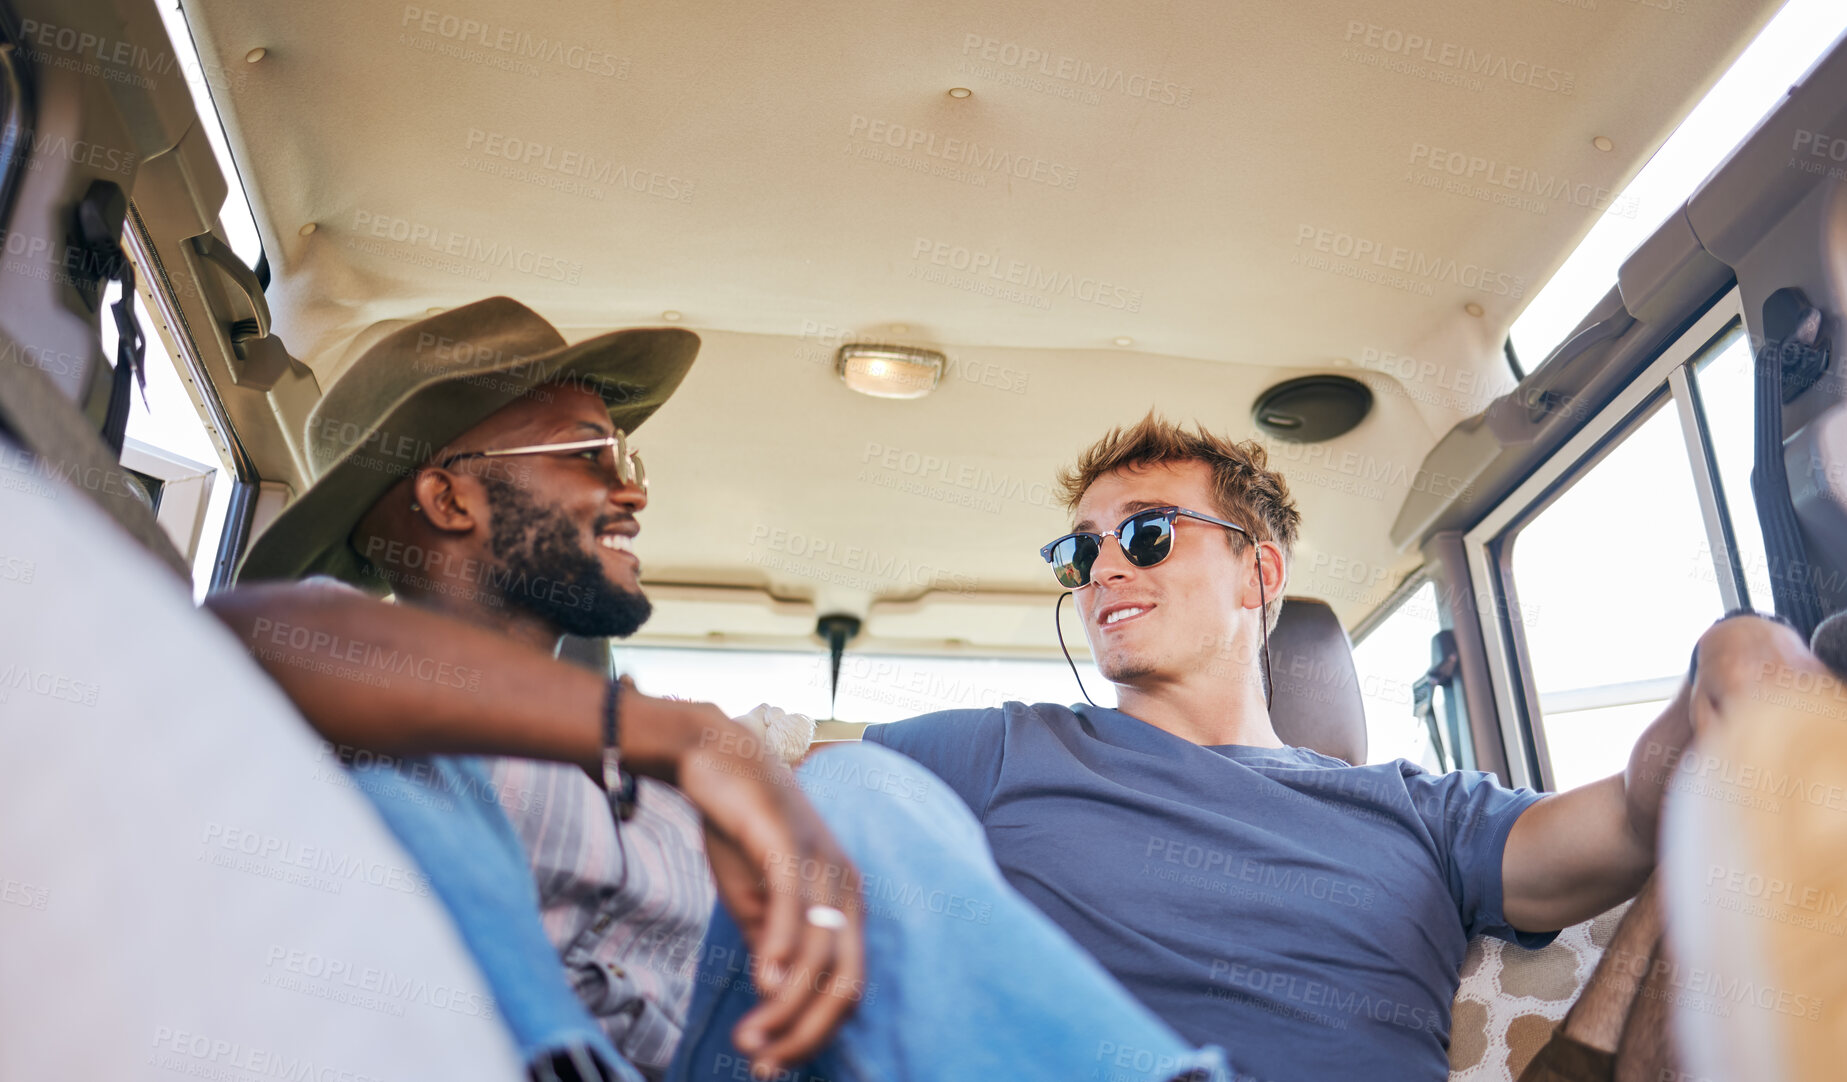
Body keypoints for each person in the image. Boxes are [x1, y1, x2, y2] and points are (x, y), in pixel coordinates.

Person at [213, 297, 1231, 1082]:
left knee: (863, 791)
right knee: (399, 770)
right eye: (587, 452)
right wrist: (681, 735)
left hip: (727, 1046)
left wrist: (769, 793)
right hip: (489, 1039)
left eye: (627, 454)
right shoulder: (330, 681)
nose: (632, 486)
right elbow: (245, 633)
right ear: (446, 493)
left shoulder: (687, 780)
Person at [858, 414, 1801, 1082]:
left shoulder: (1422, 813)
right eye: (1078, 553)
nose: (1102, 567)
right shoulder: (1001, 750)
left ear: (1257, 572)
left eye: (1145, 534)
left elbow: (1642, 813)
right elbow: (791, 792)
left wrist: (1742, 655)